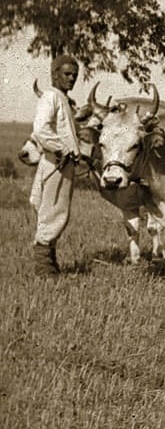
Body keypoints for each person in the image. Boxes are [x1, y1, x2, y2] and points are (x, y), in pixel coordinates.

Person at [29, 55, 83, 275]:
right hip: (57, 161)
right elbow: (41, 129)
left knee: (47, 207)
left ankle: (49, 264)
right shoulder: (51, 97)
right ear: (54, 74)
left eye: (75, 75)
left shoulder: (61, 98)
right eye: (67, 74)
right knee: (54, 210)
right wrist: (61, 148)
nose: (72, 79)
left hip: (58, 160)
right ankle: (44, 268)